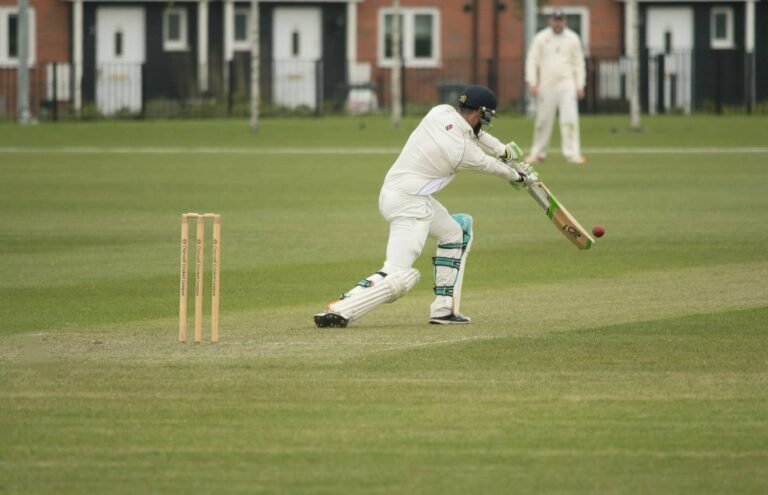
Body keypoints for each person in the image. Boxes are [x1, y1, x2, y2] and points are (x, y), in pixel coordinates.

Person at [313, 85, 538, 328]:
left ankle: (443, 310)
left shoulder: (440, 112)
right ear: (479, 113)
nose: (485, 122)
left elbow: (477, 135)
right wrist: (520, 177)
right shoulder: (462, 151)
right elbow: (489, 165)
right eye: (486, 117)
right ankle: (343, 307)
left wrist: (503, 150)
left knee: (455, 232)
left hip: (398, 194)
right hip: (410, 203)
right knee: (399, 273)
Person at [525, 9, 587, 165]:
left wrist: (580, 84)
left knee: (570, 119)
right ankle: (538, 154)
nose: (558, 23)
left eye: (560, 20)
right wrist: (532, 82)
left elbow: (579, 63)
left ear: (565, 21)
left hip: (567, 84)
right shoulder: (541, 38)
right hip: (547, 84)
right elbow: (532, 60)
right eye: (555, 20)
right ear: (550, 21)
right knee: (543, 120)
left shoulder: (573, 38)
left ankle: (572, 154)